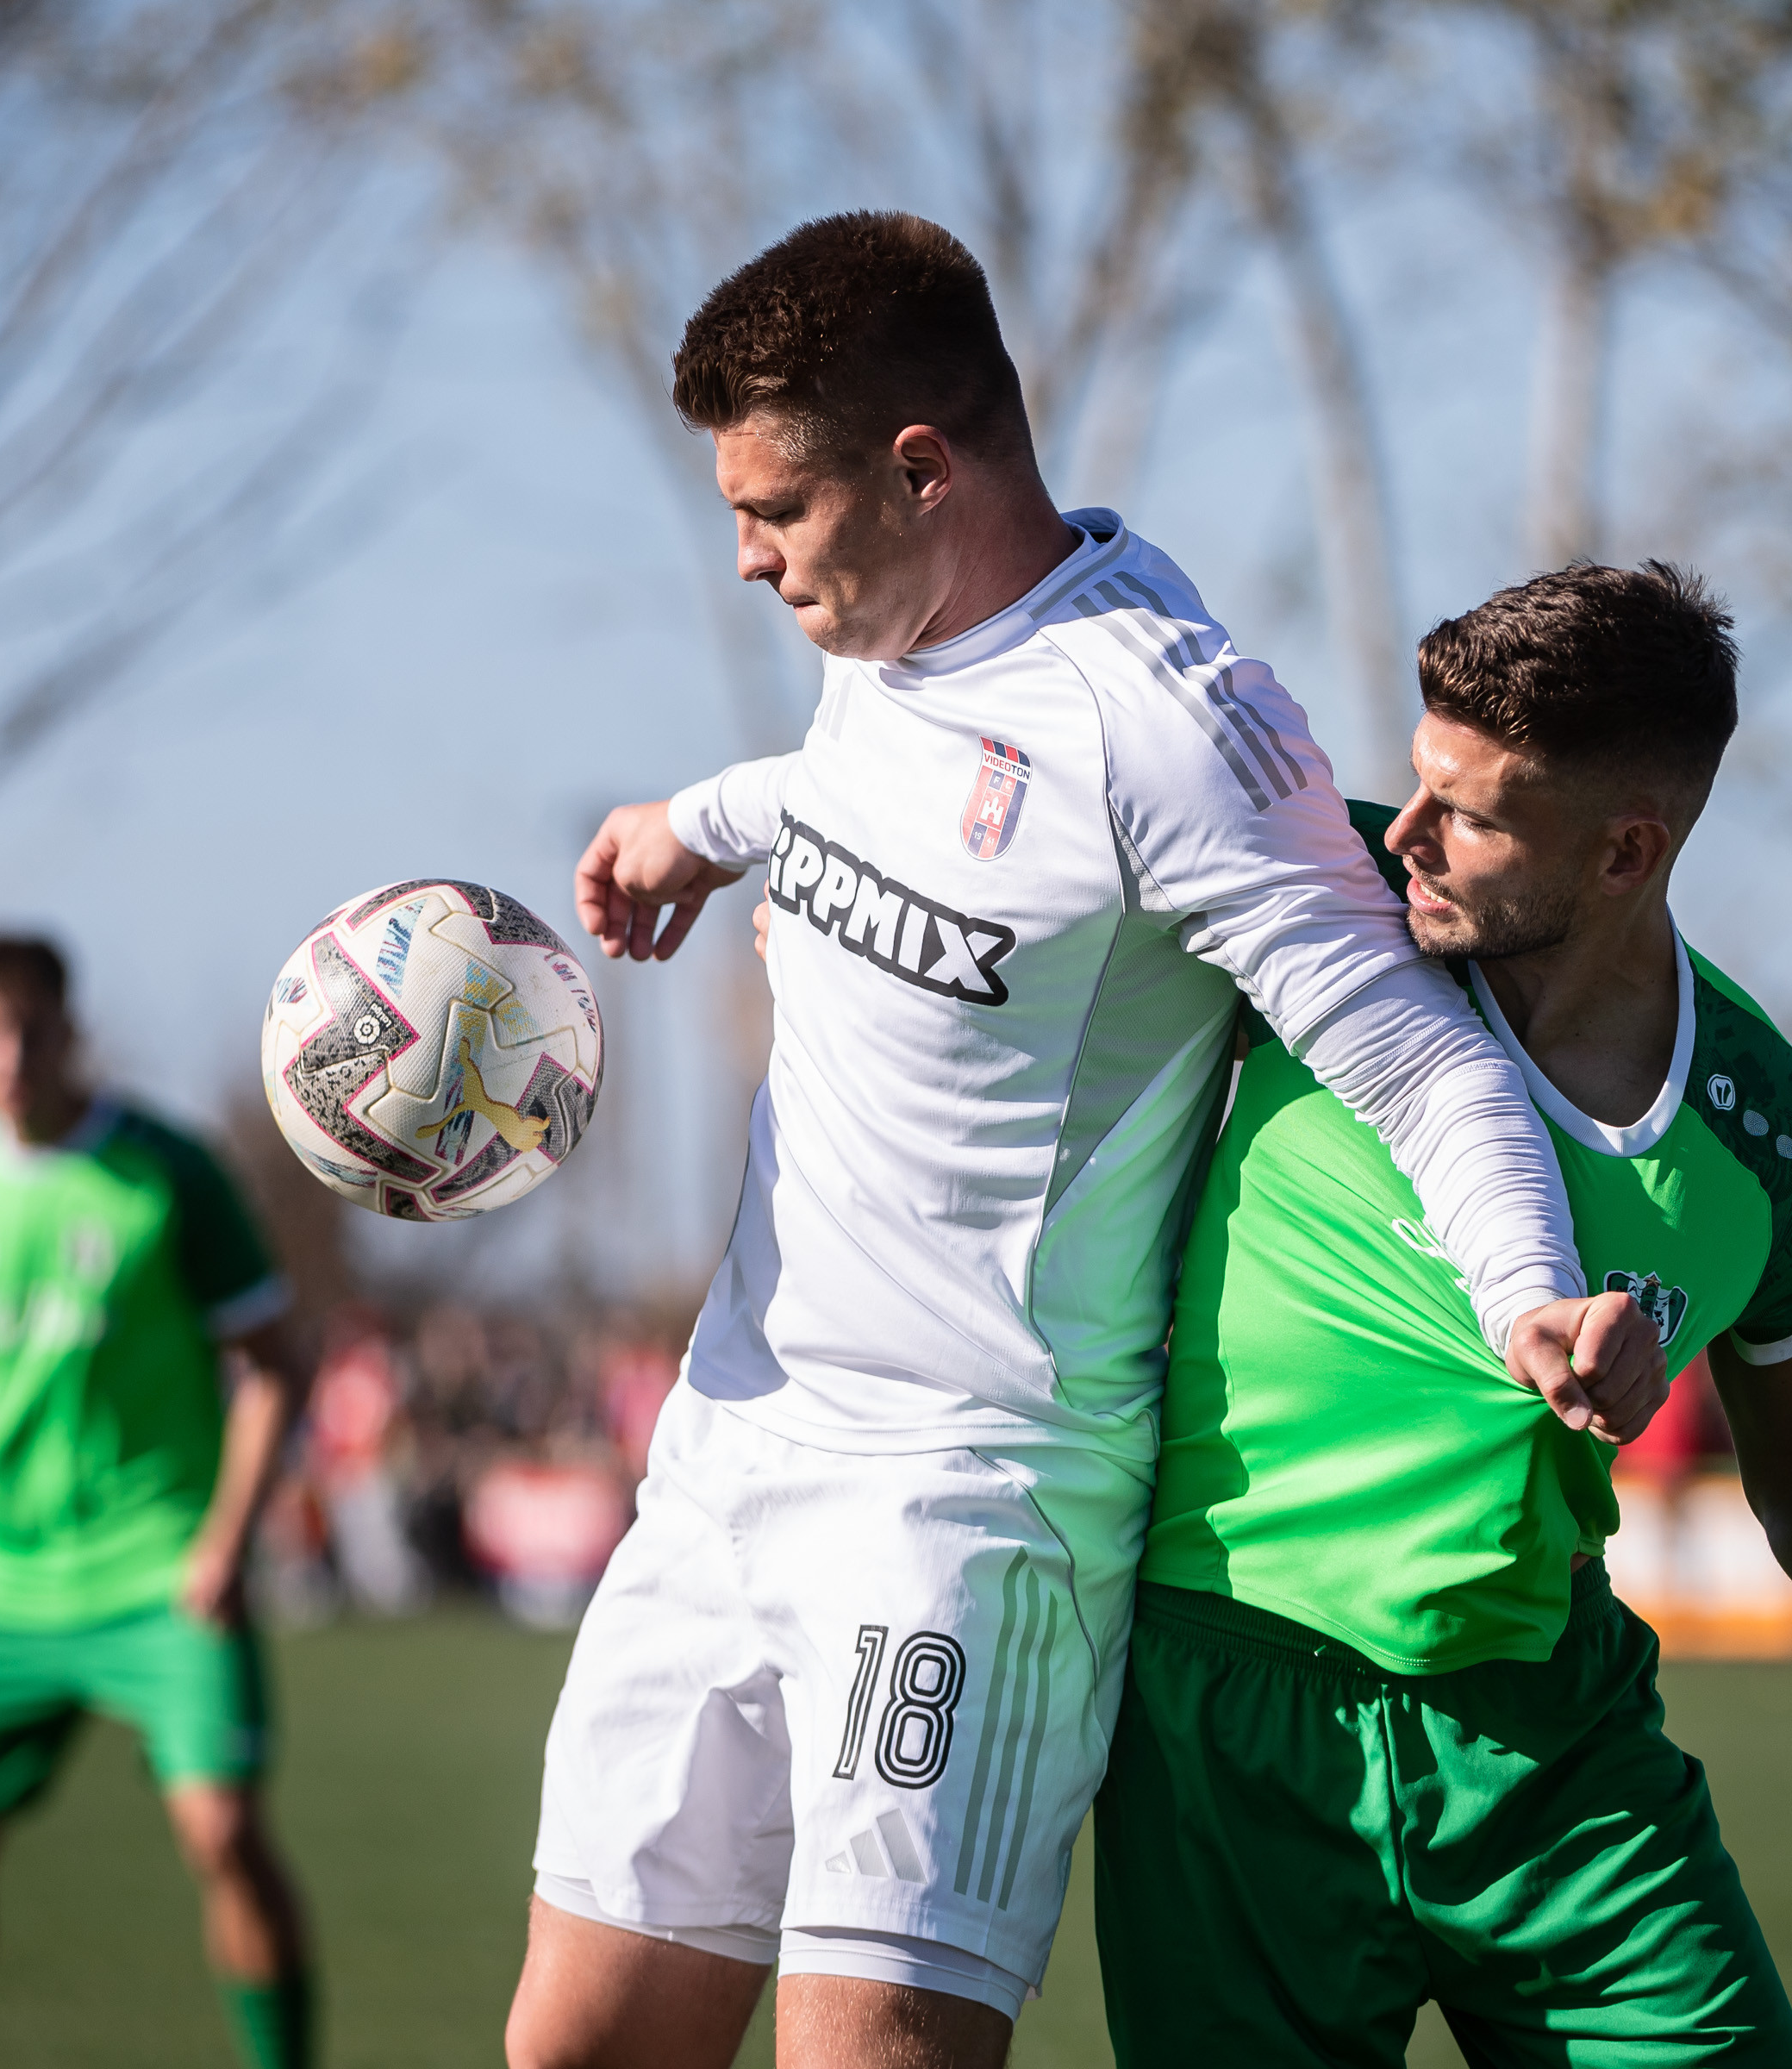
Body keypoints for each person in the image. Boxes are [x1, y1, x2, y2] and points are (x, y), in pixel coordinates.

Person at [525, 211, 1662, 2069]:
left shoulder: (1177, 731)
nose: (747, 557)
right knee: (573, 2049)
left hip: (967, 1507)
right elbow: (864, 785)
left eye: (777, 510)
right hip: (732, 1441)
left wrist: (1530, 1290)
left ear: (923, 470)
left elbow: (1417, 1059)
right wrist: (697, 824)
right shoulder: (880, 628)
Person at [1088, 561, 1792, 2066]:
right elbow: (1016, 875)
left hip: (1556, 1763)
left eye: (1468, 814)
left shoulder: (1780, 1146)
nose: (1405, 832)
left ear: (1625, 853)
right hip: (1230, 1722)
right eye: (1417, 780)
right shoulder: (1312, 891)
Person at [0, 936, 316, 2069]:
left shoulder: (168, 1171)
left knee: (225, 1834)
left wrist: (224, 1540)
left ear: (70, 1035)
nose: (9, 1058)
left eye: (30, 1032)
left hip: (160, 1567)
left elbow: (275, 1367)